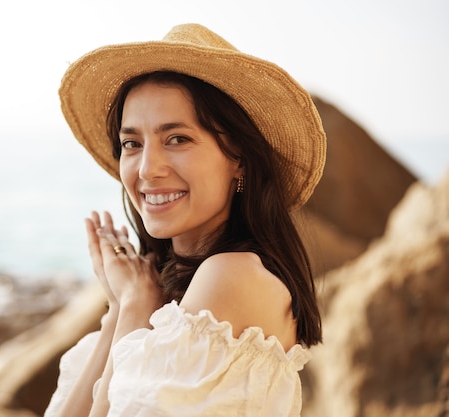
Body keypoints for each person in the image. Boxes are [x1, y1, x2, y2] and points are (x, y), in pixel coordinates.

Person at [44, 23, 326, 417]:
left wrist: (135, 307)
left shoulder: (232, 276)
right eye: (132, 143)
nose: (147, 169)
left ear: (238, 158)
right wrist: (119, 308)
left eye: (177, 139)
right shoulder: (174, 287)